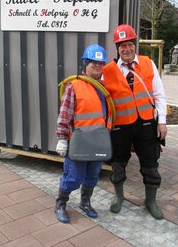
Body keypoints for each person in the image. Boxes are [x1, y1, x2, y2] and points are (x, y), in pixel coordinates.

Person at [102, 24, 167, 220]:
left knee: (150, 164)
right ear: (117, 48)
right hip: (121, 126)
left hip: (146, 124)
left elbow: (159, 95)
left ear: (134, 45)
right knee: (118, 163)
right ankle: (118, 198)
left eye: (129, 44)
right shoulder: (108, 71)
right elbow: (100, 98)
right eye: (122, 46)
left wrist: (162, 122)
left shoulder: (148, 63)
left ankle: (151, 201)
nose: (126, 49)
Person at [55, 43, 112, 223]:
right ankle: (60, 204)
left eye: (100, 63)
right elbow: (65, 114)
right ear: (85, 64)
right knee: (73, 177)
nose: (97, 65)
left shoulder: (104, 89)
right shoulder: (74, 86)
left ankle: (85, 202)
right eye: (93, 62)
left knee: (92, 176)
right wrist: (62, 139)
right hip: (79, 142)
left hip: (98, 142)